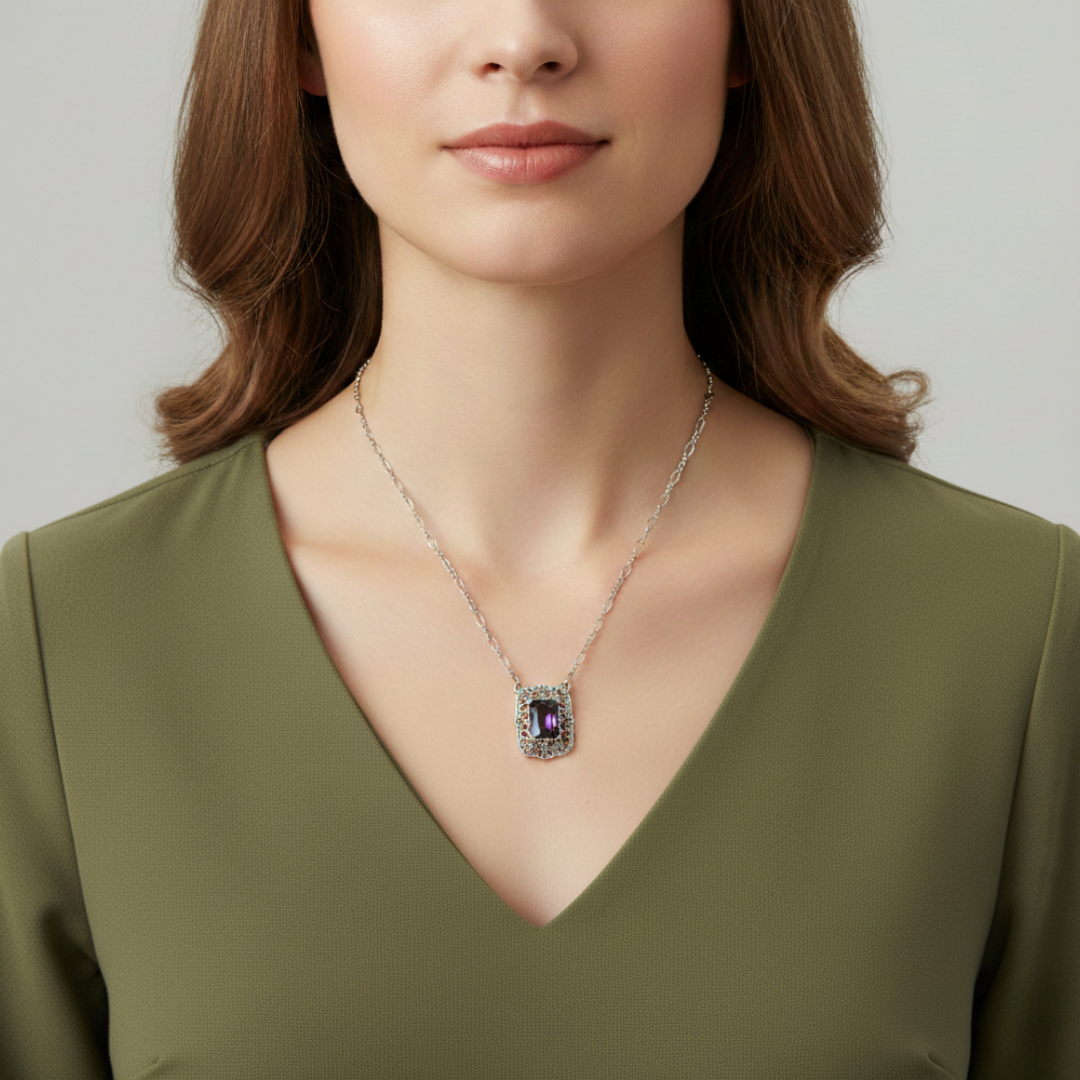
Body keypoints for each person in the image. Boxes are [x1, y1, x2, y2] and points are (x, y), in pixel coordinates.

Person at [1, 0, 1076, 1075]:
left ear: (750, 31)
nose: (524, 37)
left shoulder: (1019, 631)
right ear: (299, 38)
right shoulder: (58, 643)